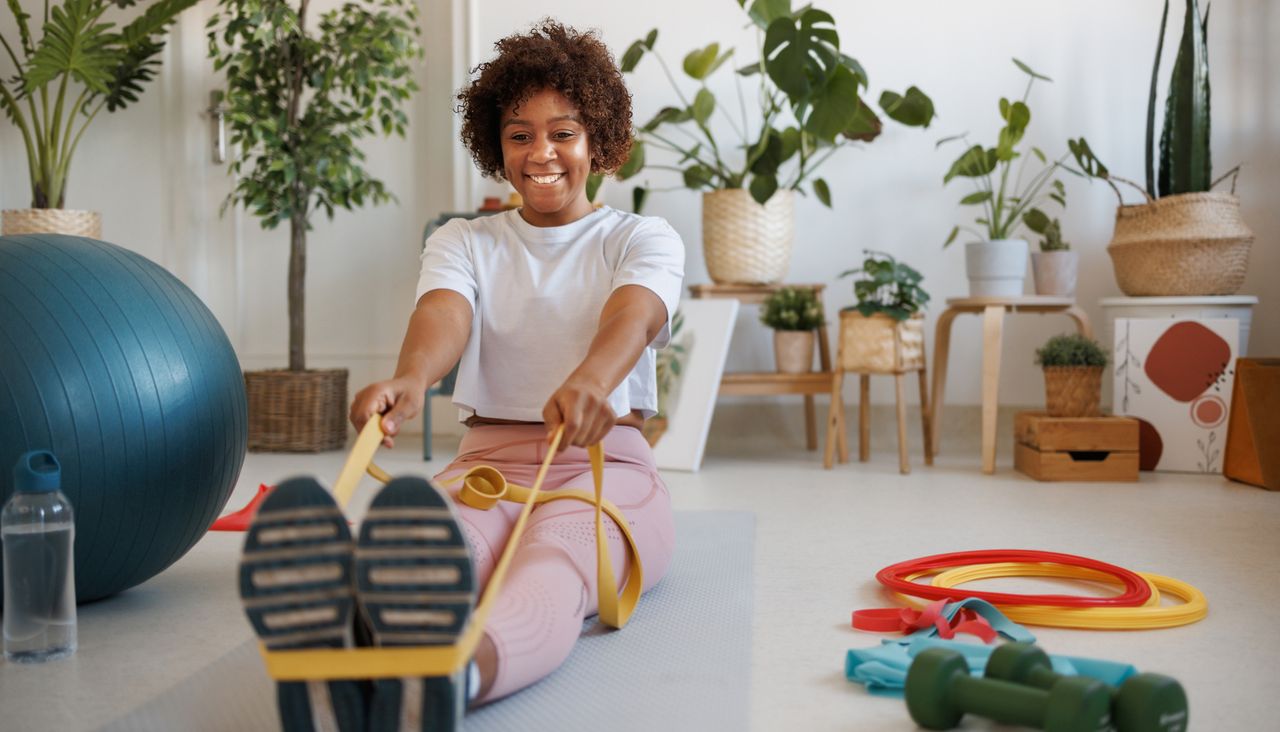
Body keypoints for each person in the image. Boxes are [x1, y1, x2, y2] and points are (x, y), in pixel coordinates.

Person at [349, 18, 684, 715]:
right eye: (519, 134)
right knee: (436, 548)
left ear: (598, 137)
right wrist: (410, 379)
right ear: (494, 144)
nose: (542, 153)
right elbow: (444, 313)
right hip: (485, 468)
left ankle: (450, 683)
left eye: (563, 132)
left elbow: (635, 314)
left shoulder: (641, 236)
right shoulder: (464, 240)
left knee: (550, 567)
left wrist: (594, 382)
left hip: (604, 471)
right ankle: (366, 640)